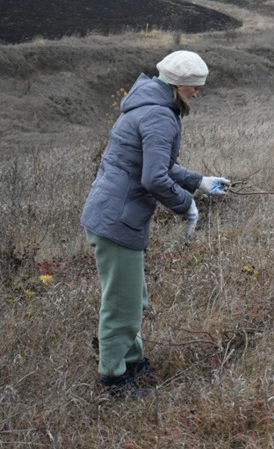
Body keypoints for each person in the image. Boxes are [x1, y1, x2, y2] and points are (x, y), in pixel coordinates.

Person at [81, 50, 230, 398]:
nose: (197, 93)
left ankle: (131, 359)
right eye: (194, 87)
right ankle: (114, 378)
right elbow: (154, 178)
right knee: (122, 305)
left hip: (110, 215)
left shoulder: (145, 104)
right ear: (179, 84)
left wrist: (199, 180)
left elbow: (157, 164)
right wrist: (186, 205)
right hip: (119, 220)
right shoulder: (160, 116)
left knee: (132, 297)